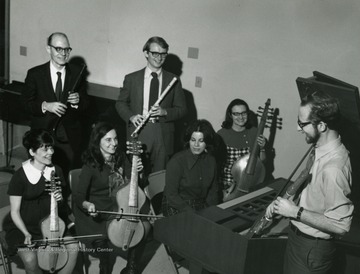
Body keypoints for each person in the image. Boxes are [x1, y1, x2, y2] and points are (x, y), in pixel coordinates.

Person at [265, 91, 353, 274]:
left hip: (311, 250)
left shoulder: (334, 168)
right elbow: (309, 187)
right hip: (298, 239)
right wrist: (283, 203)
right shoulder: (319, 149)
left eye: (302, 124)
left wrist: (294, 211)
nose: (298, 129)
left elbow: (341, 226)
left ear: (321, 125)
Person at [74, 122, 147, 274]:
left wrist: (138, 172)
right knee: (104, 249)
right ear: (97, 141)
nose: (114, 144)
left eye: (115, 139)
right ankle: (104, 269)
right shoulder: (90, 165)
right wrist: (88, 205)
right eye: (108, 140)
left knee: (141, 229)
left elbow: (132, 187)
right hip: (97, 213)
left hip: (118, 208)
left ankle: (131, 269)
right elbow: (79, 195)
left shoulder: (121, 157)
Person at [4, 129, 78, 274]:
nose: (50, 152)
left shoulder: (56, 170)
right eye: (45, 148)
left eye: (51, 147)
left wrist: (60, 199)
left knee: (74, 248)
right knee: (31, 259)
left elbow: (62, 205)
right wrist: (26, 233)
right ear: (32, 152)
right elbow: (14, 211)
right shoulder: (20, 176)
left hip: (53, 225)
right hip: (25, 227)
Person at [116, 36, 187, 175]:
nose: (159, 58)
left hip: (163, 133)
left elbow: (183, 110)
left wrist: (165, 112)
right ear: (146, 53)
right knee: (137, 175)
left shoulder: (174, 80)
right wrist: (131, 116)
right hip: (139, 130)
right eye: (155, 53)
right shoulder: (131, 78)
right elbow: (120, 103)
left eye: (163, 54)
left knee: (158, 179)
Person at [22, 32, 89, 177]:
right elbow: (25, 105)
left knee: (65, 179)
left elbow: (86, 105)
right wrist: (45, 105)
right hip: (42, 137)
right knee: (40, 177)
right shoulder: (35, 74)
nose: (63, 54)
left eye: (66, 49)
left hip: (68, 138)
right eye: (58, 49)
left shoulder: (77, 72)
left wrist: (78, 102)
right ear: (48, 49)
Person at [162, 119, 220, 216]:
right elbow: (171, 196)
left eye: (201, 141)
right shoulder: (177, 161)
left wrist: (213, 211)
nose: (196, 145)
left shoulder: (211, 161)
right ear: (188, 140)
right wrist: (190, 212)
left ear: (207, 142)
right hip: (177, 204)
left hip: (200, 203)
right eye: (193, 140)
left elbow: (212, 192)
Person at [217, 99, 266, 196]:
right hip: (226, 186)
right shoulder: (221, 134)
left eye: (243, 113)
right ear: (230, 115)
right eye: (236, 114)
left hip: (247, 184)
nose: (241, 117)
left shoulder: (254, 132)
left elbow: (262, 163)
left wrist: (263, 148)